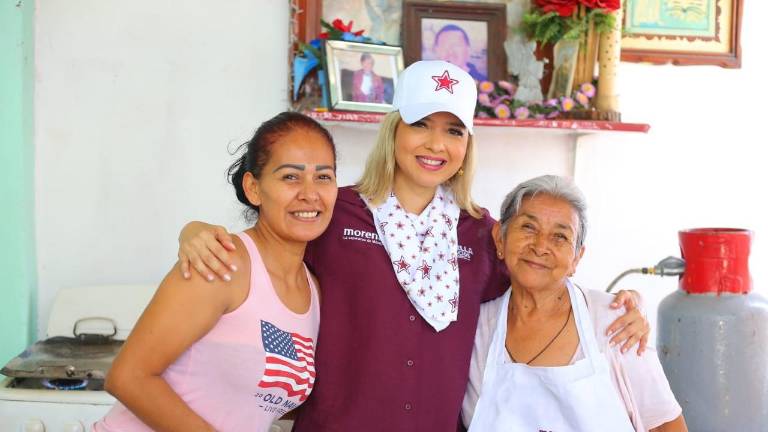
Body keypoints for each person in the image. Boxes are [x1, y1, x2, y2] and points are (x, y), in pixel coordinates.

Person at [175, 61, 649, 431]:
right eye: (422, 124)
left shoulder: (482, 234)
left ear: (468, 144)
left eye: (453, 130)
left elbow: (542, 281)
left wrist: (618, 307)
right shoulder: (336, 213)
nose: (435, 144)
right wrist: (194, 230)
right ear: (395, 130)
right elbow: (265, 247)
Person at [93, 112, 338, 431]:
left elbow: (252, 402)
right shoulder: (222, 261)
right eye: (290, 177)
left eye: (324, 177)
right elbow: (127, 378)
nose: (310, 193)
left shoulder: (315, 292)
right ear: (253, 188)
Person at [462, 175, 687, 431]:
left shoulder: (616, 323)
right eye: (528, 227)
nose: (540, 246)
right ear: (500, 238)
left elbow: (667, 426)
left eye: (560, 236)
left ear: (577, 258)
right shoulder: (476, 330)